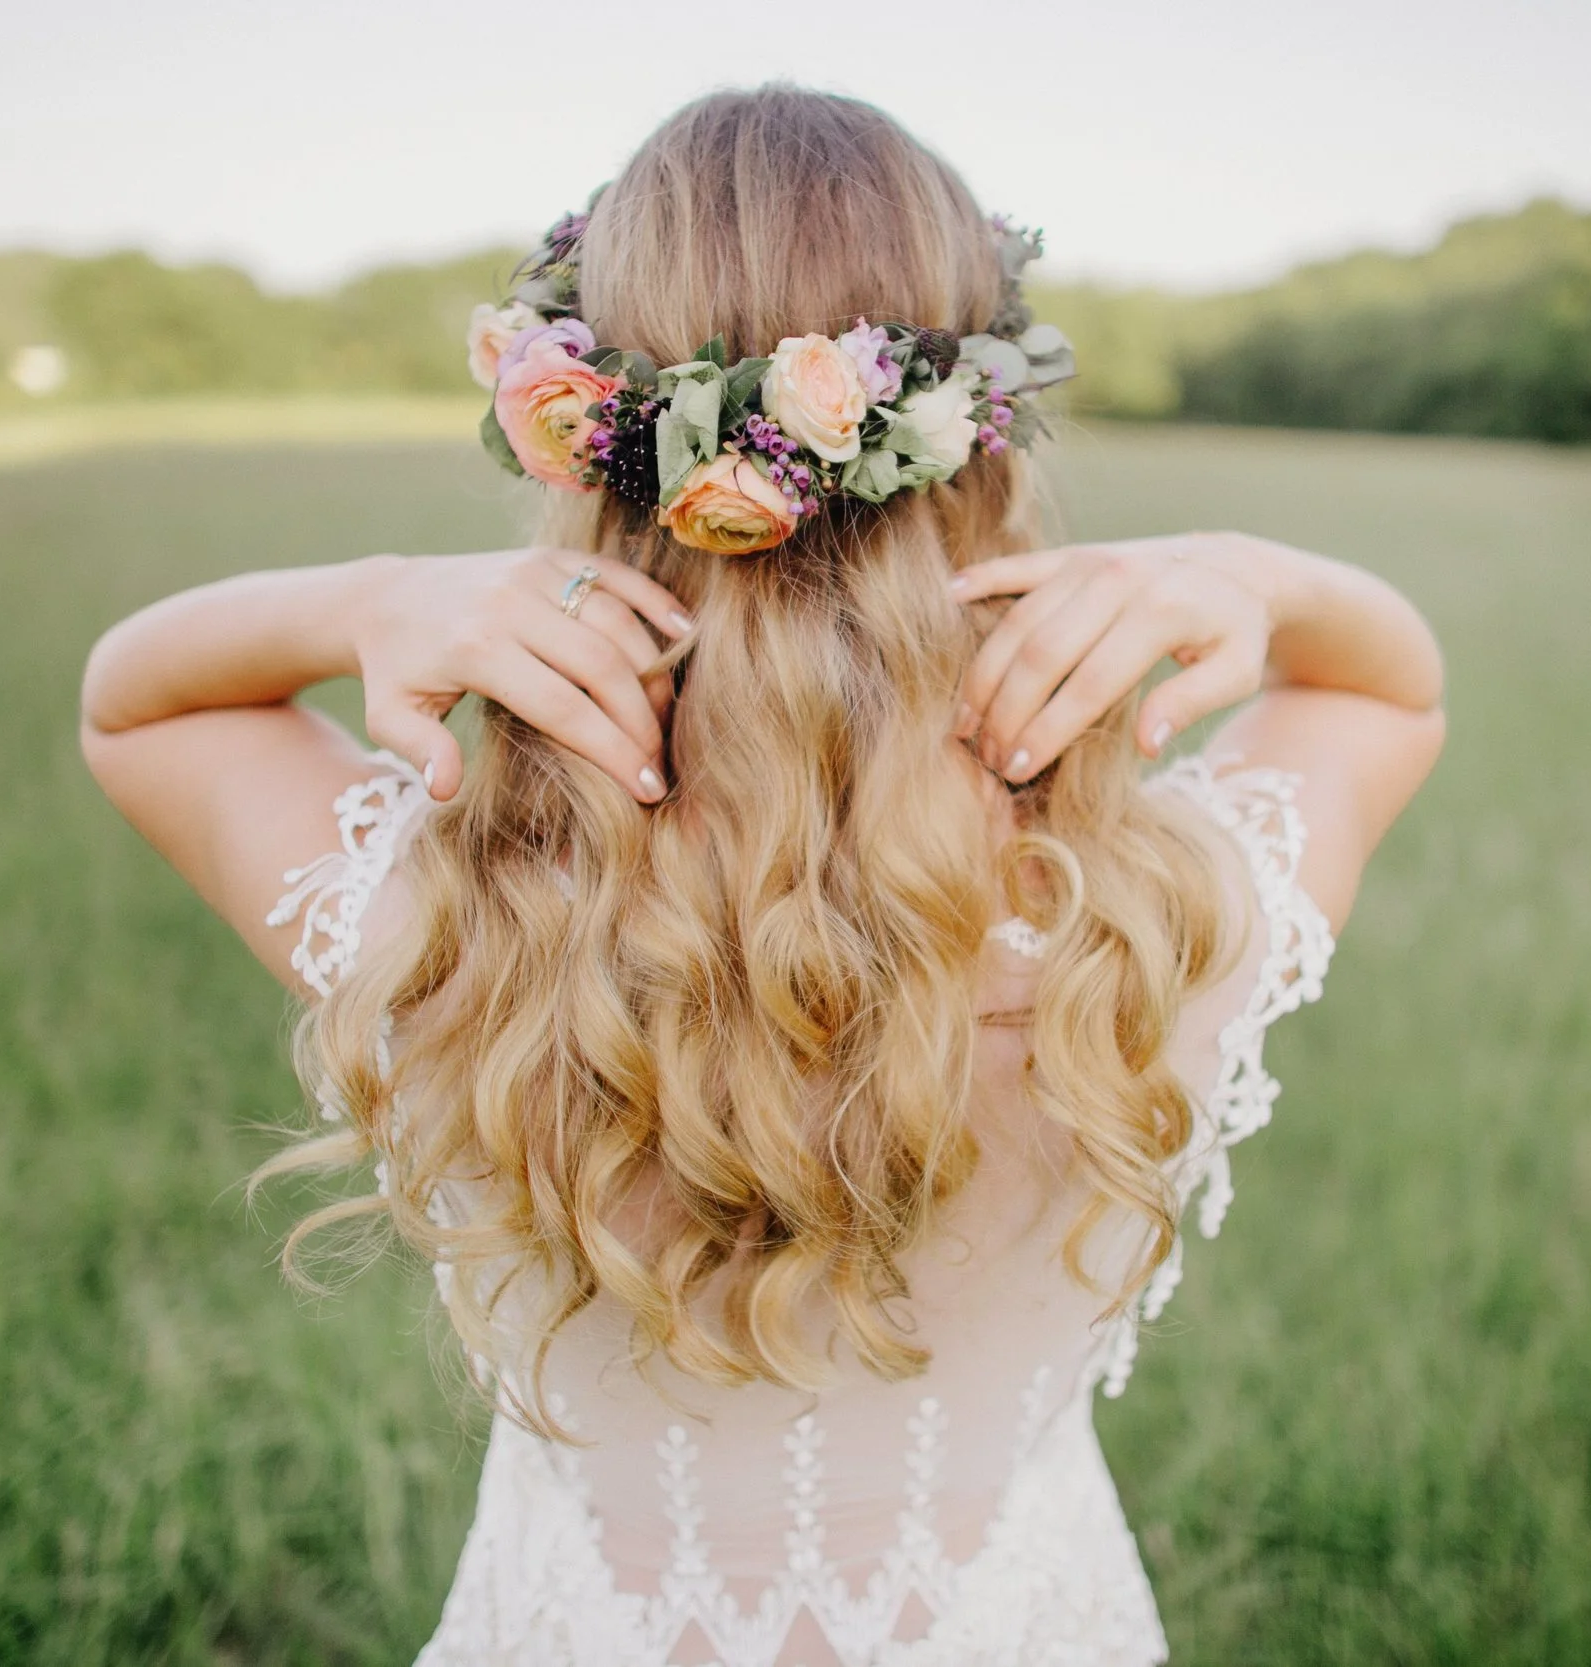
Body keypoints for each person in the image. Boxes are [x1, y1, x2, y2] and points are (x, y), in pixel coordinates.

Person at [81, 84, 1443, 1667]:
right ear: (982, 433)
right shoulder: (1159, 904)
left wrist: (375, 600)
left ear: (580, 424)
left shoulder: (449, 907)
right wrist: (1250, 576)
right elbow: (1388, 693)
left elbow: (135, 703)